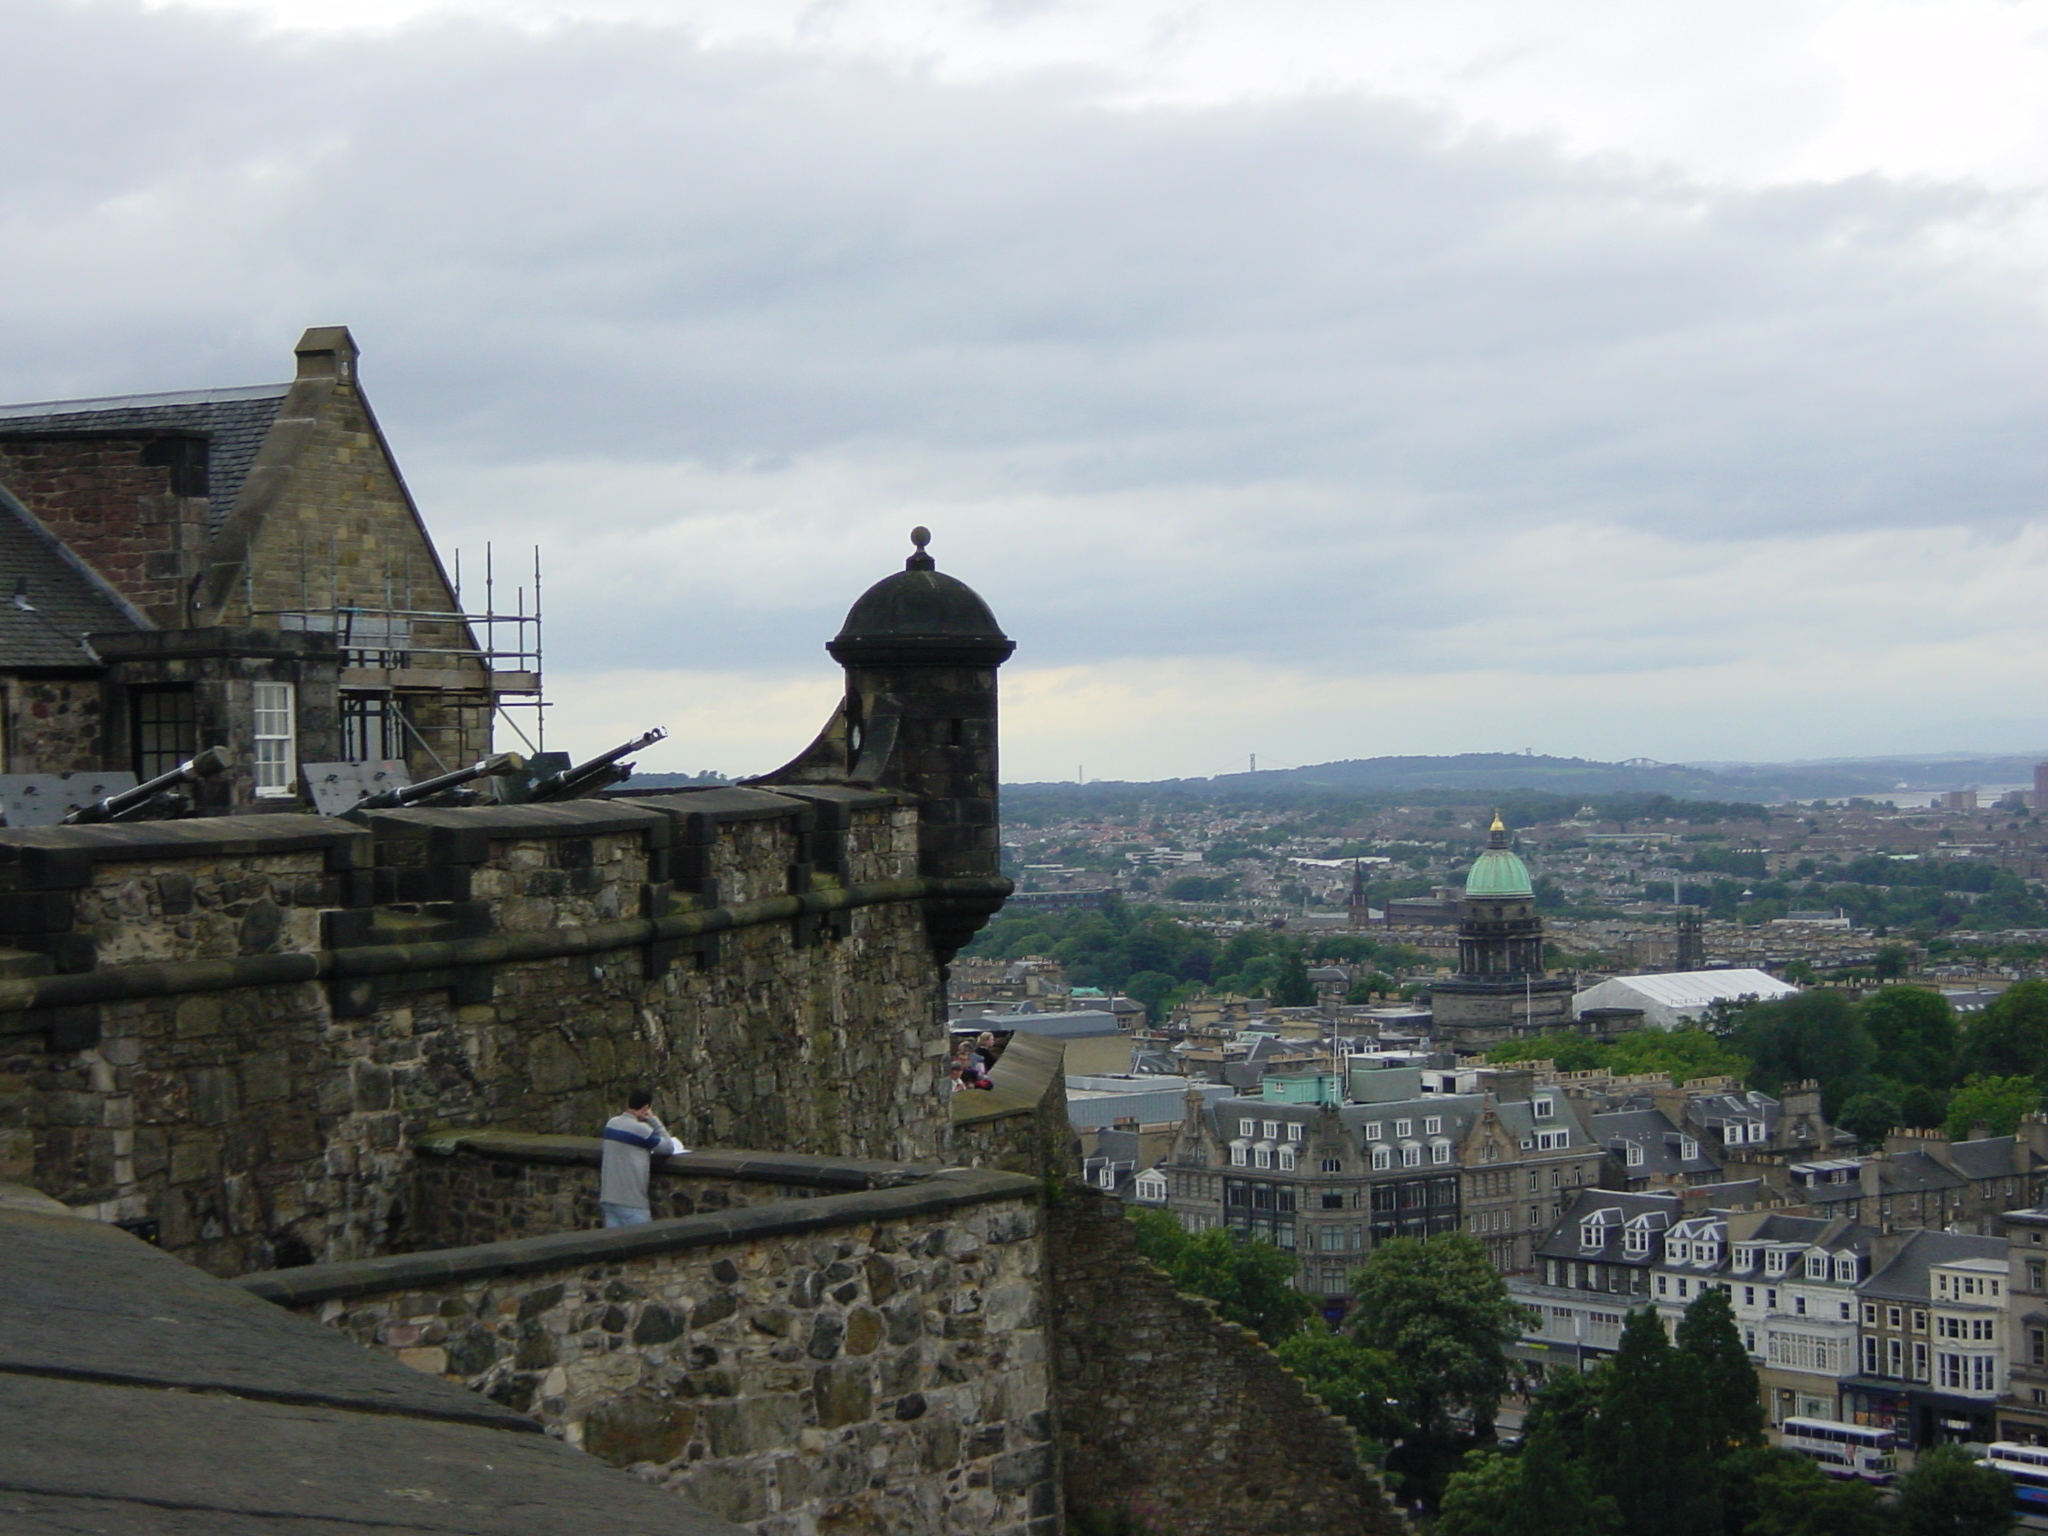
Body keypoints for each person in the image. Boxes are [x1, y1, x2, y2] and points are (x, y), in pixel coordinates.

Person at [599, 1088, 687, 1227]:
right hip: (631, 1202)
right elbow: (668, 1147)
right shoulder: (642, 1131)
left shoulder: (611, 1124)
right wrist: (653, 1119)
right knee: (641, 1243)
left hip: (609, 1198)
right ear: (646, 1107)